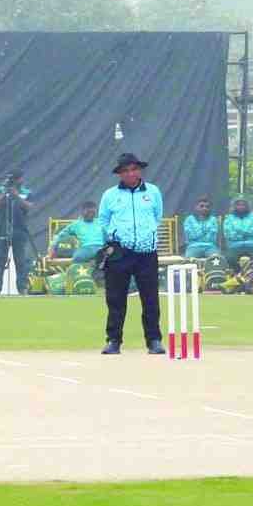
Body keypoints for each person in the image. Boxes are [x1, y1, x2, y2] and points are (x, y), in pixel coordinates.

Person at [96, 152, 165, 355]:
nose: (130, 173)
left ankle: (154, 340)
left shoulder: (153, 192)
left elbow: (157, 217)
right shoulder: (110, 195)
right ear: (120, 174)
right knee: (116, 298)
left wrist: (146, 234)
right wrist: (114, 238)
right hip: (119, 252)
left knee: (150, 297)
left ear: (140, 170)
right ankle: (114, 340)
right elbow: (103, 221)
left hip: (146, 252)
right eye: (125, 170)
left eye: (134, 169)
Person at [0, 172, 35, 295]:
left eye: (18, 179)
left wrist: (17, 196)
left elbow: (28, 207)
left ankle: (22, 288)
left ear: (21, 179)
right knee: (0, 261)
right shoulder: (1, 190)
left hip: (20, 230)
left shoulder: (27, 192)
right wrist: (5, 193)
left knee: (20, 261)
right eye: (13, 179)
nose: (16, 181)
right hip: (3, 230)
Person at [223, 198, 253, 269]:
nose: (241, 207)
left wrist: (238, 232)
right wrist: (245, 233)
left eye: (243, 205)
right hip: (234, 246)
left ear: (247, 206)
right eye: (238, 205)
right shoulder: (229, 218)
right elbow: (229, 234)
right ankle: (237, 275)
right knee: (229, 258)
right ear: (234, 206)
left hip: (251, 245)